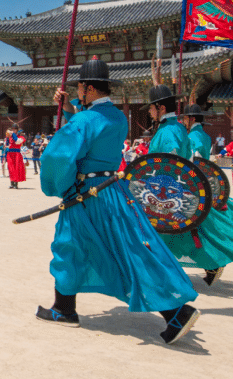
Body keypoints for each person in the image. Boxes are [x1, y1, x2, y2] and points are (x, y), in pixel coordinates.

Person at [37, 59, 200, 345]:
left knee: (69, 244)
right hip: (114, 189)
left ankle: (176, 311)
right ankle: (64, 307)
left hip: (86, 193)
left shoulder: (84, 120)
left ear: (86, 88)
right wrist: (70, 110)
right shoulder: (117, 117)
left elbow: (58, 156)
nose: (78, 91)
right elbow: (93, 126)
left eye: (79, 87)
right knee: (127, 247)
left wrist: (59, 185)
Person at [147, 85, 233, 287]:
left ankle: (216, 256)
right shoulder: (177, 127)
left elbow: (171, 161)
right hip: (176, 188)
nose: (149, 112)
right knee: (190, 231)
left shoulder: (169, 131)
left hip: (166, 191)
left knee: (183, 231)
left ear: (160, 107)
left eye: (151, 108)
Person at [6, 125, 26, 189]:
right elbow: (7, 144)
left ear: (17, 130)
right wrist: (7, 137)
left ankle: (16, 184)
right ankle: (11, 183)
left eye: (15, 129)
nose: (13, 130)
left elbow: (17, 141)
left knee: (16, 169)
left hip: (17, 154)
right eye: (12, 129)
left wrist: (13, 134)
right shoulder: (10, 137)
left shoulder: (21, 137)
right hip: (10, 154)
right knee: (11, 168)